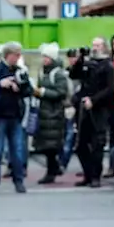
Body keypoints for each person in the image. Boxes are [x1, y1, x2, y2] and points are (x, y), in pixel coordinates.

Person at [0, 42, 33, 194]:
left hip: (15, 116)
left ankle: (19, 181)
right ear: (8, 55)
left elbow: (28, 90)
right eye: (16, 55)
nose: (18, 58)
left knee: (17, 150)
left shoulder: (20, 71)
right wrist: (0, 84)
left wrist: (20, 87)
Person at [68, 37, 114, 189]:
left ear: (104, 47)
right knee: (81, 144)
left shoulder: (108, 66)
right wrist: (81, 58)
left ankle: (96, 176)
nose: (95, 48)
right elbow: (73, 74)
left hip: (100, 109)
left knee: (97, 144)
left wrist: (94, 100)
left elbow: (110, 89)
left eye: (98, 45)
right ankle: (87, 174)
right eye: (93, 45)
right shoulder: (88, 64)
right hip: (84, 109)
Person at [32, 43, 70, 185]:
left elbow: (61, 93)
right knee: (48, 145)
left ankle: (52, 170)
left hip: (54, 113)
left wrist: (42, 92)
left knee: (51, 145)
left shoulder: (57, 74)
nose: (44, 59)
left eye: (46, 57)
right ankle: (53, 168)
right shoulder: (44, 72)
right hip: (45, 113)